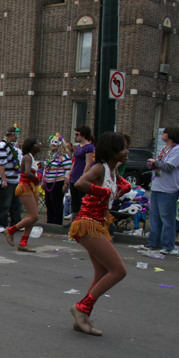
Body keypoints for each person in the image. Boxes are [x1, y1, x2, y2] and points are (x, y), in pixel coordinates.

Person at [68, 132, 131, 336]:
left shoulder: (113, 170)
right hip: (87, 224)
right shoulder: (100, 168)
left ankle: (82, 317)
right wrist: (103, 193)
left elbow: (119, 186)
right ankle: (80, 308)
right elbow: (80, 183)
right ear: (112, 151)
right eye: (123, 148)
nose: (127, 151)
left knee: (103, 273)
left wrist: (121, 186)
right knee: (119, 271)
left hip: (99, 223)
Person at [142, 125, 179, 255]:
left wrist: (155, 162)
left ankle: (167, 245)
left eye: (165, 132)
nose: (162, 134)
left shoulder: (178, 150)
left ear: (171, 135)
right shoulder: (166, 148)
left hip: (169, 189)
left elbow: (169, 167)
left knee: (167, 218)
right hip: (157, 186)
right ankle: (153, 243)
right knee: (155, 217)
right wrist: (153, 165)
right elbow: (160, 164)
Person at [4, 138, 43, 252]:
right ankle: (10, 230)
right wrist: (36, 179)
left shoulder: (31, 157)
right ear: (31, 146)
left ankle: (23, 242)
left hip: (31, 187)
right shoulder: (27, 157)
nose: (40, 145)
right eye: (37, 143)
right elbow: (27, 172)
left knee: (33, 217)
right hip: (25, 187)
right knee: (34, 216)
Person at [0, 125, 23, 232]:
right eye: (17, 135)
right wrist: (3, 179)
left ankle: (16, 223)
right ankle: (0, 224)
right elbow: (1, 164)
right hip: (6, 180)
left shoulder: (14, 147)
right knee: (4, 203)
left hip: (15, 180)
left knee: (16, 204)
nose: (18, 137)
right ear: (13, 134)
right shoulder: (3, 145)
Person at [43, 134, 72, 225]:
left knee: (56, 203)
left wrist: (65, 184)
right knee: (48, 202)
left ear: (60, 144)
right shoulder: (50, 156)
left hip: (58, 182)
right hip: (48, 182)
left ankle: (56, 222)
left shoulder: (64, 156)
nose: (53, 144)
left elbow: (68, 170)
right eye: (52, 142)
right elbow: (45, 168)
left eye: (56, 142)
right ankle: (50, 220)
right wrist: (43, 181)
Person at [69, 125, 95, 225]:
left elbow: (88, 163)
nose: (75, 136)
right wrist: (70, 174)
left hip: (81, 177)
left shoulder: (89, 147)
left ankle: (81, 224)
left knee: (81, 202)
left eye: (77, 134)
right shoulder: (78, 147)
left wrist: (83, 178)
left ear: (83, 135)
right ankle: (74, 223)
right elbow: (74, 162)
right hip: (74, 177)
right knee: (74, 202)